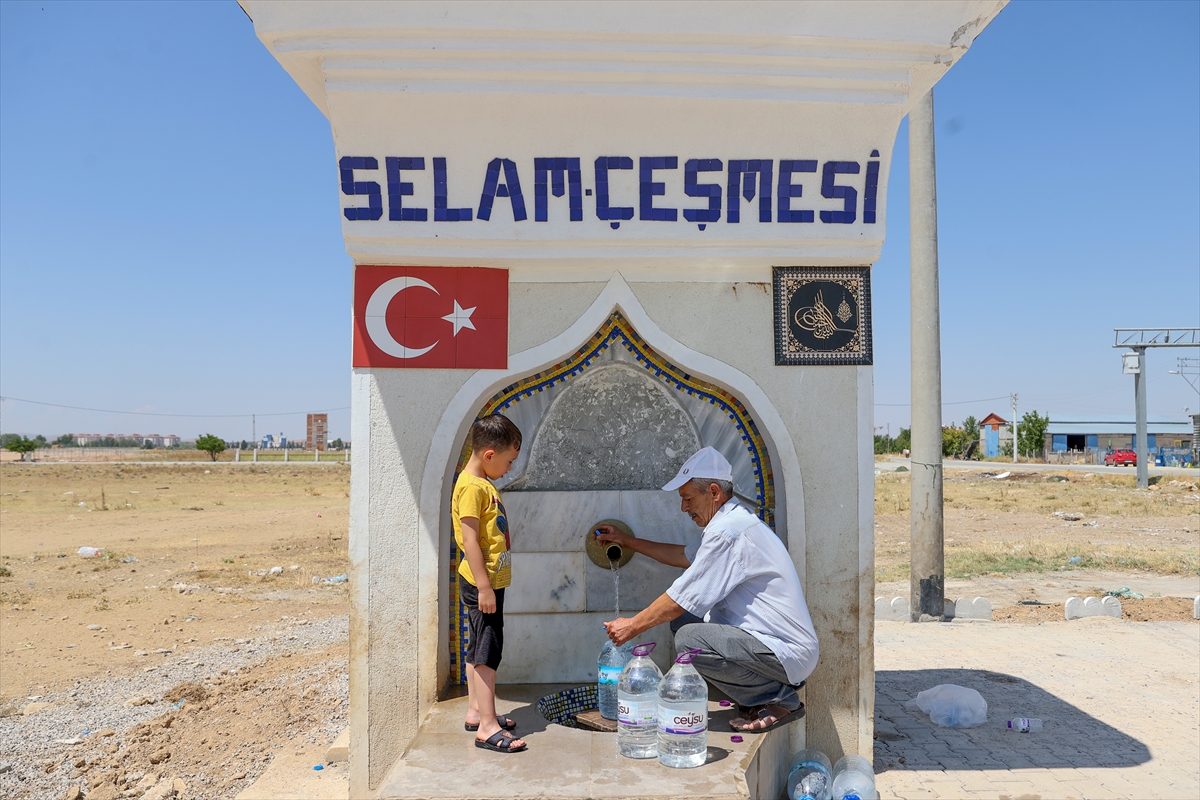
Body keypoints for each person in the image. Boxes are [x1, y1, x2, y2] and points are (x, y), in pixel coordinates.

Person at [599, 446, 819, 732]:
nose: (684, 508)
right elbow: (684, 557)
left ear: (714, 492)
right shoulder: (731, 522)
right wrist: (628, 541)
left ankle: (778, 699)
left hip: (784, 651)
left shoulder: (727, 532)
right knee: (683, 624)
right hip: (770, 647)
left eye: (688, 499)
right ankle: (758, 696)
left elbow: (679, 599)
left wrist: (632, 626)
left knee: (689, 638)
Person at [452, 413, 527, 753]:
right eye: (509, 461)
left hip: (489, 581)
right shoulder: (471, 487)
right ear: (489, 455)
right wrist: (484, 586)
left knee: (477, 646)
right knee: (488, 652)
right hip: (483, 583)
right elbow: (469, 541)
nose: (510, 468)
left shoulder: (481, 484)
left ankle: (476, 711)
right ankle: (487, 726)